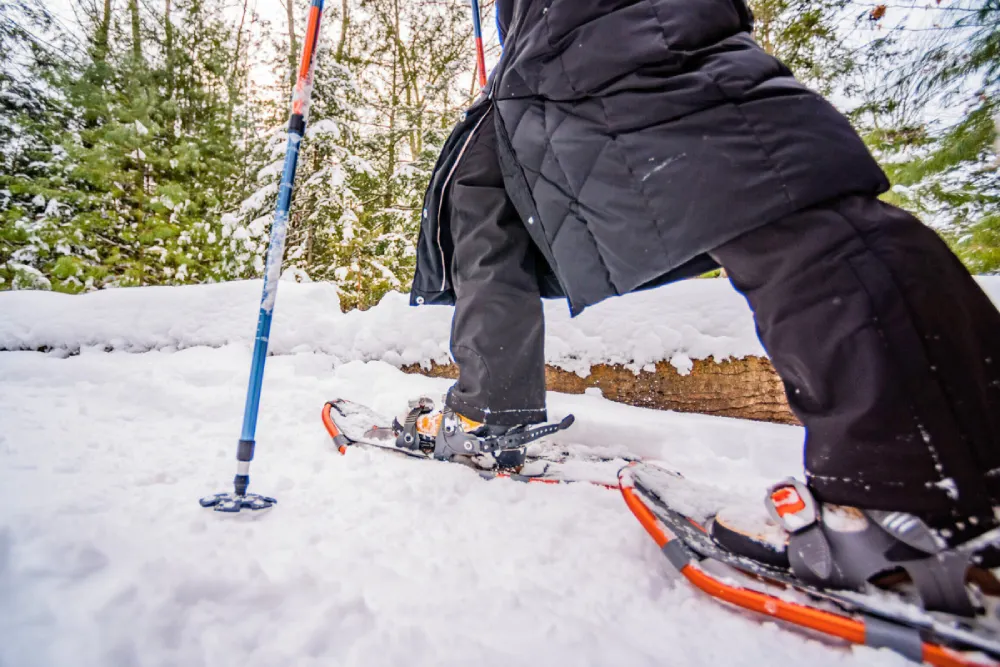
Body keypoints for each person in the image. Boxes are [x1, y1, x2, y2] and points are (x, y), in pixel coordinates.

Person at [403, 0, 1000, 610]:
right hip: (536, 45)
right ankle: (491, 409)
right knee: (478, 185)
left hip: (605, 19)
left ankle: (922, 490)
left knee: (746, 169)